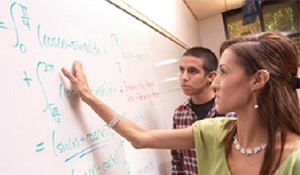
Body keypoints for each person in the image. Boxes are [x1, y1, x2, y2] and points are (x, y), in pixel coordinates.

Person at [62, 31, 300, 175]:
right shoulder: (213, 133)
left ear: (258, 80)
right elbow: (140, 137)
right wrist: (89, 97)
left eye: (224, 72)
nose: (215, 83)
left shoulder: (295, 158)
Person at [171, 46, 235, 175]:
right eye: (182, 70)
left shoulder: (230, 112)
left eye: (192, 71)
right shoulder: (180, 114)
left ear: (211, 76)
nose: (184, 77)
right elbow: (177, 160)